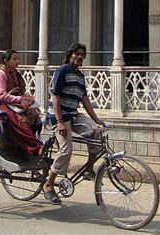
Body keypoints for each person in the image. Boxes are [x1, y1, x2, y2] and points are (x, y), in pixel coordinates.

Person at [42, 42, 105, 205]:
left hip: (73, 115)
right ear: (70, 55)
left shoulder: (80, 76)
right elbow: (55, 96)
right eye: (77, 54)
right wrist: (60, 122)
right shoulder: (63, 70)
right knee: (65, 151)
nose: (79, 57)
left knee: (96, 132)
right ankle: (48, 185)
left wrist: (96, 120)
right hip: (58, 117)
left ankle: (89, 169)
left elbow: (85, 99)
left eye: (82, 55)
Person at [0, 49, 42, 157]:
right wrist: (20, 99)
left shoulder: (15, 74)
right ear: (6, 61)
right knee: (21, 122)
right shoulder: (1, 74)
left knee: (35, 117)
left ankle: (25, 149)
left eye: (18, 59)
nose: (17, 61)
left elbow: (20, 92)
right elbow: (0, 95)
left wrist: (30, 103)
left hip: (16, 103)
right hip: (4, 104)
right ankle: (36, 147)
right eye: (14, 59)